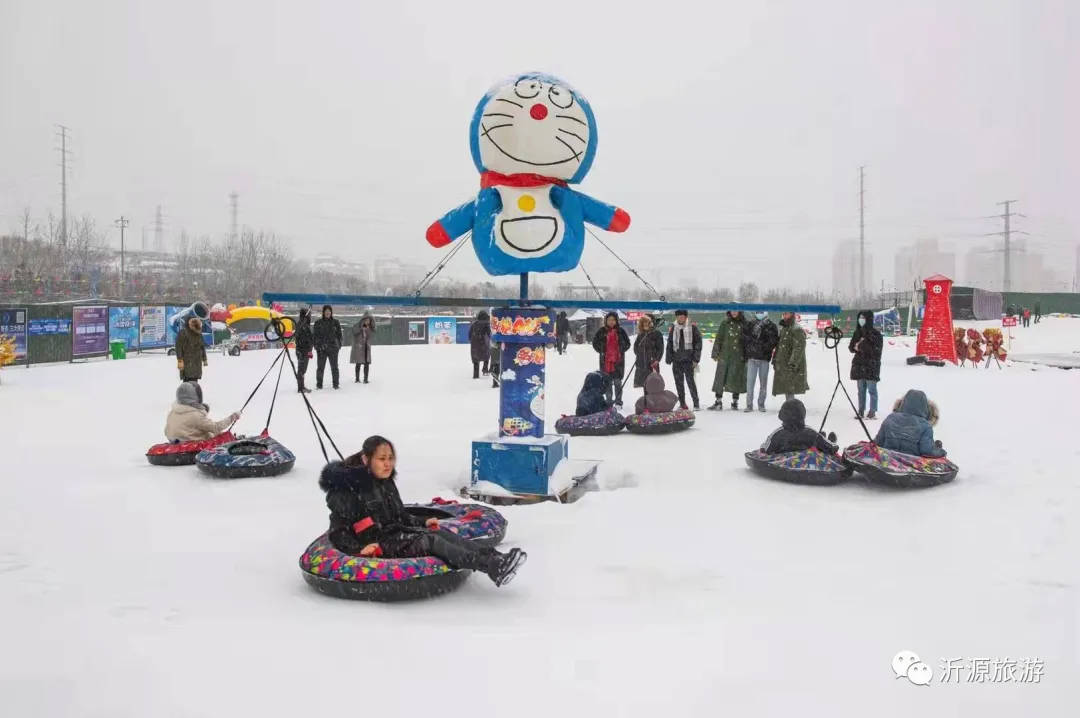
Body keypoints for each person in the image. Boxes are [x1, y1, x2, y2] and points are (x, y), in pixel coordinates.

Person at [319, 436, 526, 587]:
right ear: (366, 460)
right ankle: (490, 566)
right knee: (430, 542)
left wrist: (422, 523)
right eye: (382, 459)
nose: (388, 463)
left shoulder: (385, 483)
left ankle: (496, 559)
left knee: (439, 533)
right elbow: (338, 530)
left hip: (394, 535)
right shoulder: (346, 491)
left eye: (391, 458)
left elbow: (399, 516)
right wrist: (357, 549)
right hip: (378, 545)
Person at [874, 389, 946, 458]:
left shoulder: (890, 418)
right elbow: (927, 451)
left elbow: (878, 442)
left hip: (888, 459)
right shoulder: (925, 426)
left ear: (903, 403)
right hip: (910, 463)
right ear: (925, 407)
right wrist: (941, 452)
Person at [164, 381, 239, 441]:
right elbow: (216, 427)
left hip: (178, 444)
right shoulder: (196, 416)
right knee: (222, 437)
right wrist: (232, 417)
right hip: (194, 447)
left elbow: (167, 431)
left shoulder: (173, 412)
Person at [761, 398, 838, 455]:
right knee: (820, 442)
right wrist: (831, 446)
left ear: (782, 417)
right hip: (808, 458)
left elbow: (765, 449)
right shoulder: (810, 433)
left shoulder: (778, 434)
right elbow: (833, 448)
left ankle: (823, 439)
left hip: (786, 461)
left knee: (818, 440)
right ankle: (826, 440)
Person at [742, 311, 779, 412]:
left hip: (764, 359)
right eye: (758, 312)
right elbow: (745, 339)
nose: (760, 313)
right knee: (750, 383)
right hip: (752, 359)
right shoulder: (750, 324)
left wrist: (763, 347)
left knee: (763, 384)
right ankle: (749, 405)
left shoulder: (771, 326)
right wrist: (751, 348)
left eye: (762, 312)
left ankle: (761, 404)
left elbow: (774, 341)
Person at [709, 310, 746, 411]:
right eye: (732, 310)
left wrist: (746, 354)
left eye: (736, 310)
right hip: (724, 355)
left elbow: (747, 341)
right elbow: (719, 338)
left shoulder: (744, 324)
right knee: (720, 378)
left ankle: (735, 402)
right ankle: (718, 401)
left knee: (736, 378)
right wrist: (715, 352)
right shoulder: (724, 323)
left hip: (739, 356)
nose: (734, 312)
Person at [591, 311, 631, 406]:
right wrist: (603, 349)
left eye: (613, 320)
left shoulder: (621, 331)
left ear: (616, 321)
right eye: (609, 320)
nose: (611, 322)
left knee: (617, 382)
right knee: (607, 382)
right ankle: (609, 402)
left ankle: (618, 402)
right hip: (605, 361)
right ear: (606, 321)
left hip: (618, 362)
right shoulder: (601, 331)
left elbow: (628, 344)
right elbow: (595, 343)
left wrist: (620, 349)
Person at [666, 309, 703, 410]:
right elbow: (669, 343)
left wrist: (696, 359)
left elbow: (698, 344)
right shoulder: (673, 328)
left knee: (691, 382)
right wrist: (669, 357)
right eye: (678, 316)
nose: (680, 318)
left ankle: (696, 403)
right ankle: (682, 403)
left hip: (688, 360)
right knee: (679, 383)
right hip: (676, 360)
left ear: (686, 317)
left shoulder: (693, 327)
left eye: (682, 316)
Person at [849, 310, 883, 419]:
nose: (861, 320)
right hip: (859, 365)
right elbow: (851, 347)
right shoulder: (857, 333)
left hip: (871, 366)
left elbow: (876, 351)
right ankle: (861, 410)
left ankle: (872, 411)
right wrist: (858, 345)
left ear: (868, 319)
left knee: (872, 389)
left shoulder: (876, 334)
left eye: (863, 318)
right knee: (861, 390)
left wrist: (860, 346)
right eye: (860, 317)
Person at [772, 311, 809, 402]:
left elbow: (799, 347)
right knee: (787, 385)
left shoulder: (796, 329)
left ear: (792, 314)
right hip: (783, 362)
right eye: (783, 314)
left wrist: (793, 363)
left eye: (787, 314)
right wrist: (775, 359)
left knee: (790, 385)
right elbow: (780, 345)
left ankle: (790, 404)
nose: (784, 316)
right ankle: (789, 404)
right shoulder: (784, 328)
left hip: (790, 364)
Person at [313, 304, 343, 390]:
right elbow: (315, 336)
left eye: (329, 311)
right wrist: (317, 346)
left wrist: (339, 345)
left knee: (334, 368)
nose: (327, 312)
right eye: (326, 311)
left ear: (331, 312)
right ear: (323, 312)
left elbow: (339, 335)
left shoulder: (335, 322)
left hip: (333, 349)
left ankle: (336, 384)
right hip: (322, 349)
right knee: (320, 368)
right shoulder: (318, 323)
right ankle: (319, 385)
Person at [632, 314, 665, 389]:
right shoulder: (640, 334)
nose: (646, 324)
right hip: (641, 364)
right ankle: (646, 400)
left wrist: (656, 359)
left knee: (653, 386)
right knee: (645, 386)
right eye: (644, 322)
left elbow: (660, 349)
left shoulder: (657, 334)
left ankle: (653, 400)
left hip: (652, 364)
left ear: (651, 323)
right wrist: (640, 354)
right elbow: (635, 347)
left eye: (648, 322)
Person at [175, 315, 207, 383]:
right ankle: (187, 392)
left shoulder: (198, 333)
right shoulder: (183, 333)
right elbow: (178, 347)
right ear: (188, 323)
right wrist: (180, 360)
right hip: (187, 361)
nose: (194, 323)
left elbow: (202, 347)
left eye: (195, 321)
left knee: (195, 381)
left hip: (196, 362)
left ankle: (193, 392)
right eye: (192, 321)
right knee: (187, 381)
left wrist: (204, 359)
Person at [350, 313, 374, 384]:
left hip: (366, 347)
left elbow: (370, 335)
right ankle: (357, 379)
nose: (367, 321)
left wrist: (368, 329)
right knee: (358, 363)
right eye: (366, 320)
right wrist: (361, 328)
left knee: (367, 363)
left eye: (369, 320)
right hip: (359, 348)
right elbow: (354, 332)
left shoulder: (369, 328)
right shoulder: (358, 325)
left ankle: (365, 379)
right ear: (363, 320)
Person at [294, 308, 314, 393]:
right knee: (301, 369)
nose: (310, 316)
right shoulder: (302, 325)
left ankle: (301, 386)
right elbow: (302, 339)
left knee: (302, 369)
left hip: (304, 350)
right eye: (309, 315)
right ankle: (301, 388)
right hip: (303, 351)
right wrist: (308, 348)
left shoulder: (303, 324)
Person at [469, 310, 491, 379]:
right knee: (486, 356)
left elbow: (470, 334)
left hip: (475, 344)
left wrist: (471, 340)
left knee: (475, 359)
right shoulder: (487, 324)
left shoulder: (474, 323)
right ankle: (485, 369)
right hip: (484, 343)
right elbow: (489, 334)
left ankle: (476, 375)